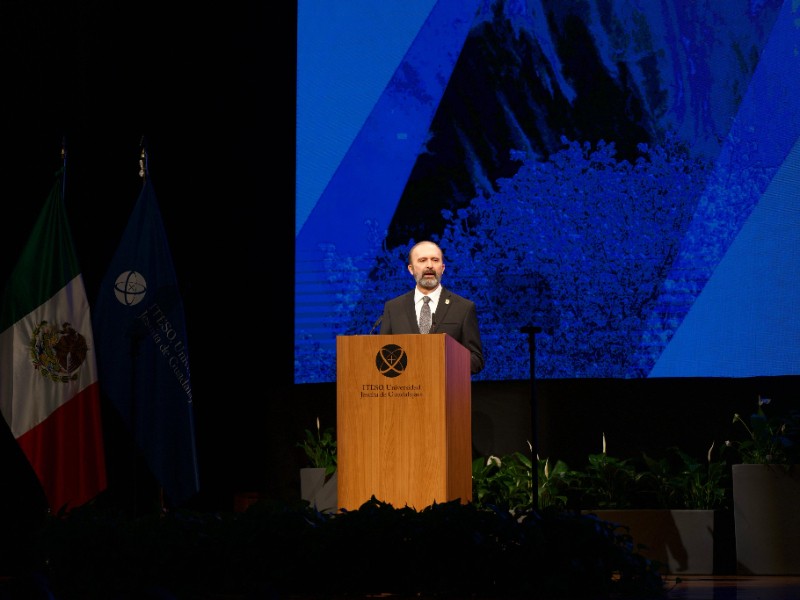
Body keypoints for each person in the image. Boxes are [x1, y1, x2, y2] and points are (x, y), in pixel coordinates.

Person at [379, 240, 484, 374]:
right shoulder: (393, 308)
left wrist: (441, 362)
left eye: (435, 260)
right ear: (411, 269)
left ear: (443, 268)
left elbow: (476, 360)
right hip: (404, 391)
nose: (429, 265)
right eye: (422, 260)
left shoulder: (464, 308)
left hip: (447, 391)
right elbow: (382, 354)